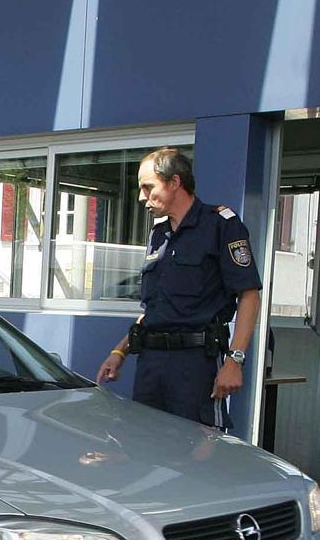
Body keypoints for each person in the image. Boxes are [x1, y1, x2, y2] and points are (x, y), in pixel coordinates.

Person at [96, 147, 262, 430]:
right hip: (151, 363)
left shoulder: (220, 225)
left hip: (194, 364)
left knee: (194, 451)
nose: (141, 197)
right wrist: (119, 351)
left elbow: (249, 295)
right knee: (145, 444)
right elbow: (155, 308)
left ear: (175, 182)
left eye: (148, 187)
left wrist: (235, 360)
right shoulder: (158, 234)